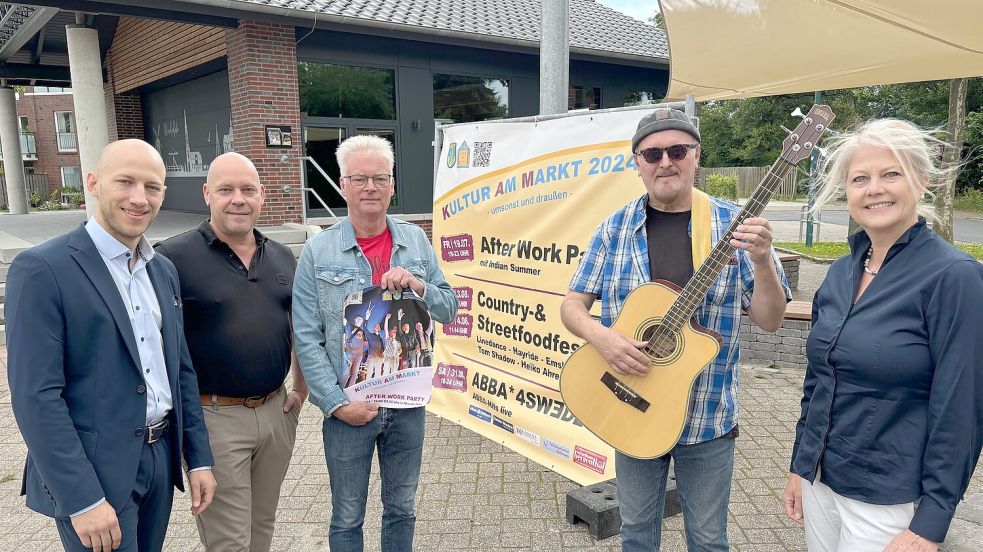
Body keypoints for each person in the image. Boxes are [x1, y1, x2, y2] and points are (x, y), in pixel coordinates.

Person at [560, 108, 791, 551]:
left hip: (707, 419)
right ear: (637, 163)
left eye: (677, 150)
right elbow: (573, 306)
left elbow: (771, 319)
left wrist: (762, 261)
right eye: (652, 153)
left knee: (707, 538)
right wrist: (601, 337)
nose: (665, 161)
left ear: (696, 157)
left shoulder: (736, 228)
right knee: (636, 530)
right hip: (629, 404)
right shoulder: (615, 229)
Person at [5, 139, 216, 552]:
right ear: (94, 183)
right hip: (94, 471)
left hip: (159, 459)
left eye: (152, 187)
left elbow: (180, 371)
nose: (139, 198)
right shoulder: (43, 269)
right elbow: (36, 396)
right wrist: (81, 497)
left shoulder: (163, 270)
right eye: (126, 182)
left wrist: (199, 457)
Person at [783, 119, 983, 551]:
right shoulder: (838, 273)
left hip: (887, 498)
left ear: (922, 182)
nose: (874, 188)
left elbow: (962, 409)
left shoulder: (956, 278)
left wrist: (931, 522)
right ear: (847, 192)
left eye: (891, 174)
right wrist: (801, 467)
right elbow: (817, 381)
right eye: (860, 178)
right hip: (822, 481)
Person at [292, 134, 458, 551]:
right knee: (347, 516)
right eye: (359, 178)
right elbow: (307, 336)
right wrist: (334, 403)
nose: (370, 187)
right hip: (348, 408)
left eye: (380, 178)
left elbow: (449, 308)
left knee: (402, 508)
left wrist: (419, 285)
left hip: (406, 407)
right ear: (342, 184)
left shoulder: (416, 241)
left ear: (393, 185)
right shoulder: (317, 251)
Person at [154, 152, 307, 552]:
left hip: (276, 414)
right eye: (226, 189)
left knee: (261, 529)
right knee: (229, 542)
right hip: (215, 419)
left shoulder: (281, 255)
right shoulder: (172, 258)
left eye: (248, 190)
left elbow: (297, 324)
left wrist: (301, 387)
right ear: (208, 194)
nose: (238, 199)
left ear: (262, 196)